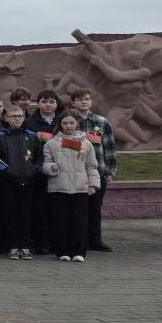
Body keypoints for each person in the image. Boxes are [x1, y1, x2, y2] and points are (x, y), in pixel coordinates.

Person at [41, 112, 100, 262]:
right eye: (65, 123)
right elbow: (45, 164)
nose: (68, 126)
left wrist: (93, 184)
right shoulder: (51, 143)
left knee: (79, 221)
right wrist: (51, 167)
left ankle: (79, 251)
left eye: (71, 123)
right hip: (58, 187)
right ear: (60, 124)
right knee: (60, 220)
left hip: (80, 187)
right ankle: (62, 251)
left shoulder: (86, 144)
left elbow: (92, 165)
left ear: (77, 124)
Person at [0, 105, 39, 260]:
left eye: (19, 116)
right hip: (7, 182)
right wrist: (7, 171)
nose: (17, 118)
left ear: (24, 117)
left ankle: (25, 246)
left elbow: (40, 158)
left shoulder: (32, 136)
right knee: (10, 214)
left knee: (26, 215)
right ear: (7, 118)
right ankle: (13, 246)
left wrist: (33, 170)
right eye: (13, 116)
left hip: (28, 181)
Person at [70, 90, 116, 253]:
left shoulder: (101, 122)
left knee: (95, 207)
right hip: (75, 172)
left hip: (97, 171)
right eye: (79, 99)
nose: (84, 102)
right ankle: (79, 240)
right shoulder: (70, 121)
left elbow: (109, 147)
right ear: (73, 103)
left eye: (87, 99)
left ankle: (95, 239)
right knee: (78, 208)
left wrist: (110, 170)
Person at [24, 89, 61, 255]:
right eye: (44, 101)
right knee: (39, 208)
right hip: (37, 172)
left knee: (56, 208)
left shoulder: (63, 121)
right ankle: (40, 242)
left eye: (51, 102)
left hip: (59, 171)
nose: (48, 105)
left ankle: (56, 242)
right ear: (38, 103)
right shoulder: (30, 122)